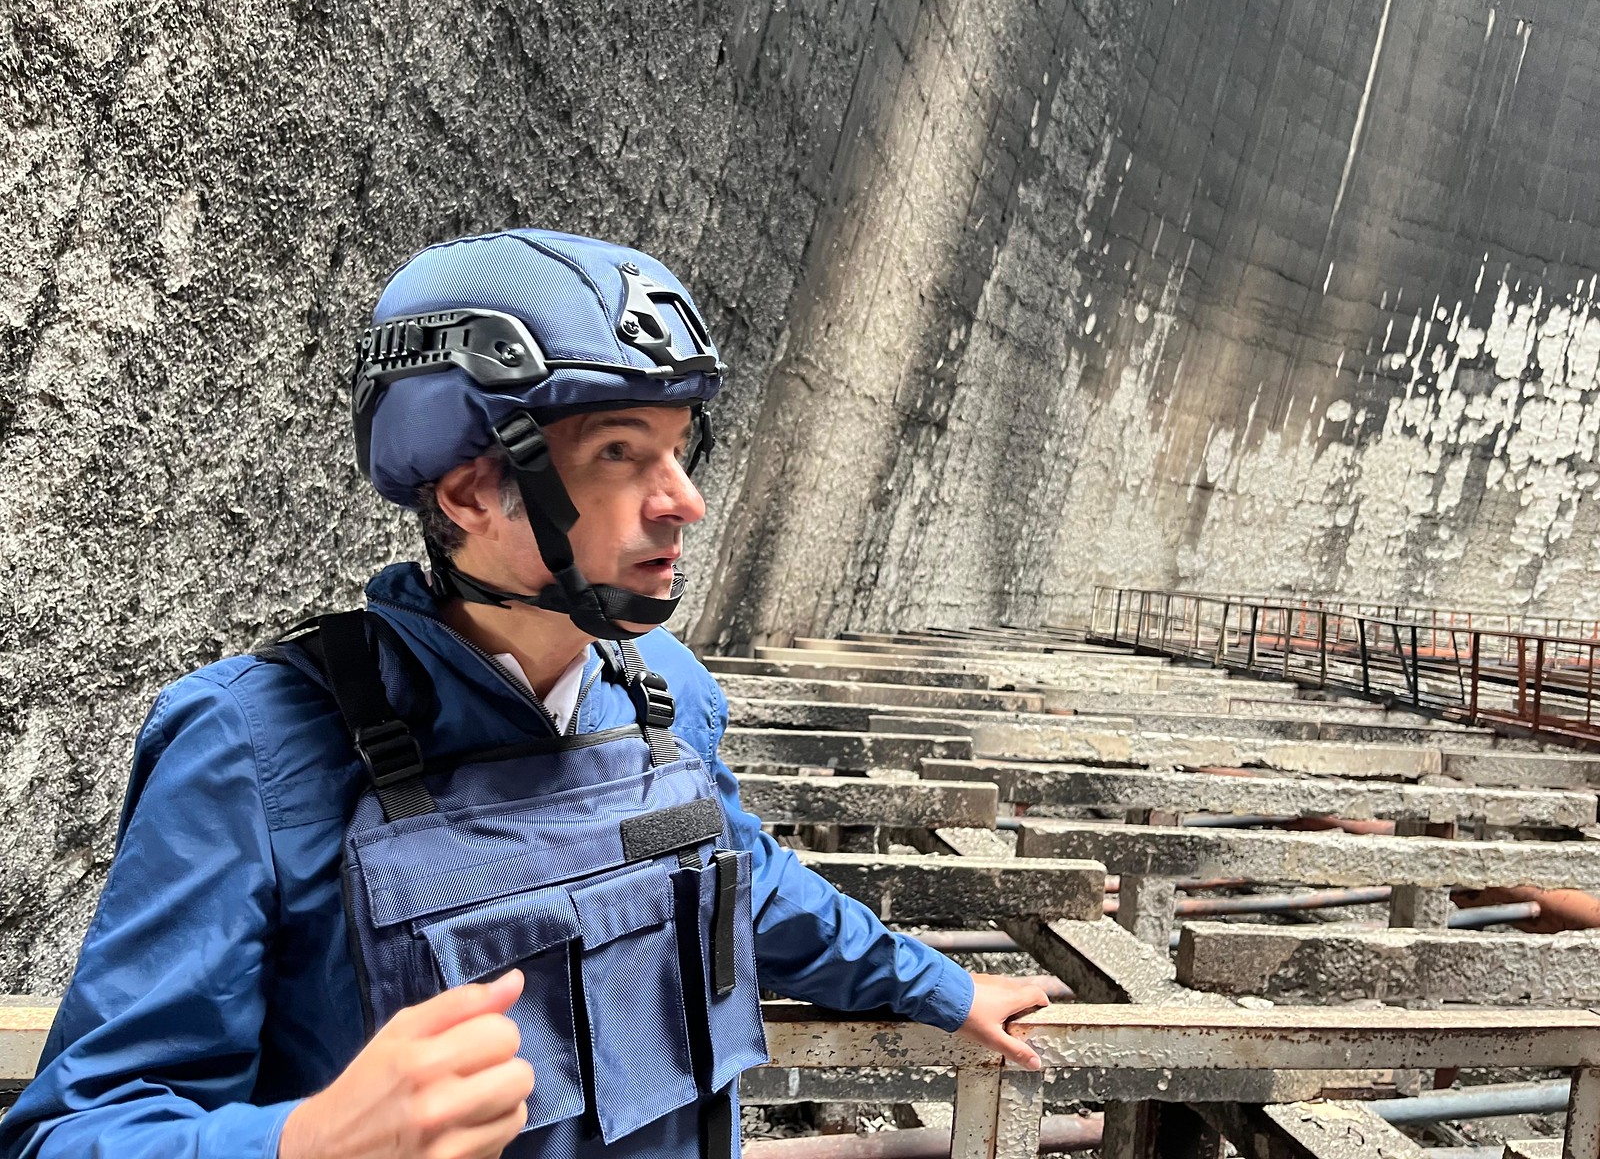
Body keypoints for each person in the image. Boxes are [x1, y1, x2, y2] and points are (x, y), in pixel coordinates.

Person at [0, 229, 1048, 1159]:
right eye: (621, 454)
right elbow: (82, 1126)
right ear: (467, 491)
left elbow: (743, 882)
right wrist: (302, 1140)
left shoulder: (661, 690)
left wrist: (943, 989)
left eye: (679, 449)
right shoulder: (251, 746)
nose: (683, 501)